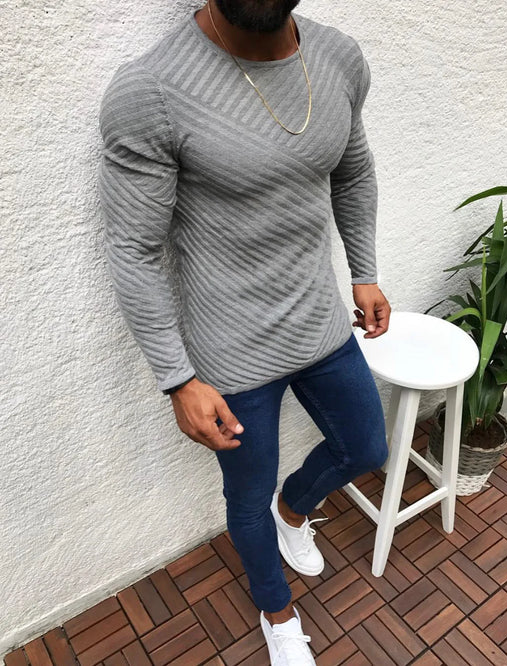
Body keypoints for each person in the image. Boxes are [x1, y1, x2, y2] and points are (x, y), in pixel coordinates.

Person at [97, 0, 391, 662]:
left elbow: (353, 171)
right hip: (230, 353)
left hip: (319, 321)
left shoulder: (337, 57)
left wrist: (364, 272)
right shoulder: (151, 92)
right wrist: (178, 379)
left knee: (365, 447)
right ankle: (276, 611)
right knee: (247, 498)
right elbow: (134, 251)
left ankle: (297, 510)